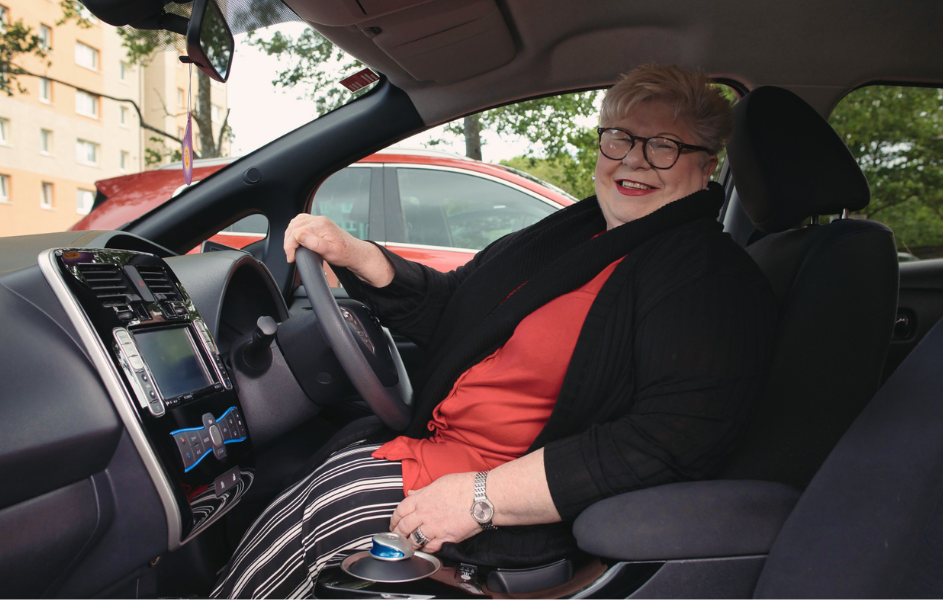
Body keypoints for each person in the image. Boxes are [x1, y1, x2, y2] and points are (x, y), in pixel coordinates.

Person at [211, 63, 778, 598]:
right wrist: (355, 255)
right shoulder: (579, 233)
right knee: (314, 493)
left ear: (707, 165)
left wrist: (480, 500)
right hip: (440, 456)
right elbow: (453, 306)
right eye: (621, 139)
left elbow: (669, 440)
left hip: (510, 509)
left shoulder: (705, 274)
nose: (634, 161)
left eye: (664, 147)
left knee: (331, 517)